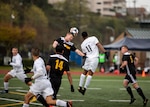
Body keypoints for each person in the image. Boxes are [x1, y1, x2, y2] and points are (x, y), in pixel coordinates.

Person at [52, 27, 85, 92]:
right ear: (67, 34)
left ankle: (71, 85)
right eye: (70, 37)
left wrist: (83, 55)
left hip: (65, 61)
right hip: (58, 59)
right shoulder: (60, 39)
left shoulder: (71, 44)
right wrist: (56, 46)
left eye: (72, 38)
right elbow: (54, 44)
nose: (71, 38)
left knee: (68, 73)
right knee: (54, 71)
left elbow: (77, 51)